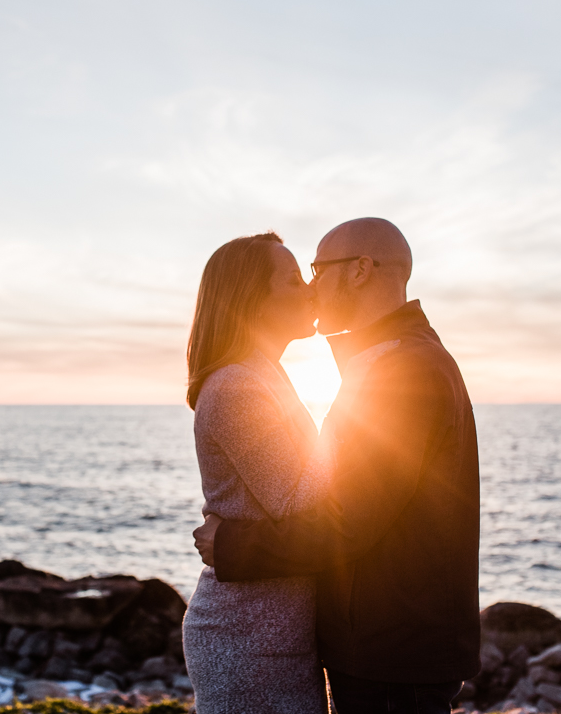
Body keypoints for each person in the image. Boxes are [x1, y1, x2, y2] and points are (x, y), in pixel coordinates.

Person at [193, 217, 481, 714]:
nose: (310, 286)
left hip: (391, 648)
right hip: (376, 643)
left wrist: (234, 546)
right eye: (299, 275)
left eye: (317, 269)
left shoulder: (402, 367)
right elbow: (334, 497)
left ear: (360, 270)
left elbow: (347, 520)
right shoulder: (381, 361)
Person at [181, 232, 332, 714]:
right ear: (252, 300)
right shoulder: (236, 386)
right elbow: (297, 499)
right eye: (292, 279)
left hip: (274, 627)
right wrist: (368, 447)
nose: (310, 287)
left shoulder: (263, 373)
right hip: (248, 637)